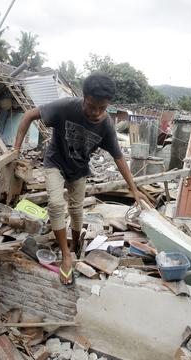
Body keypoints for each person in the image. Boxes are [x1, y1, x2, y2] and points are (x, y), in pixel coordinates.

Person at [13, 73, 145, 285]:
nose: (96, 113)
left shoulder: (106, 126)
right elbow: (28, 115)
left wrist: (134, 189)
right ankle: (66, 255)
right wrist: (16, 149)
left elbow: (119, 158)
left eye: (102, 108)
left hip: (79, 168)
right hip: (55, 161)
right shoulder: (66, 107)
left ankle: (74, 244)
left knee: (76, 210)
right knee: (56, 205)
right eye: (92, 106)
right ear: (84, 97)